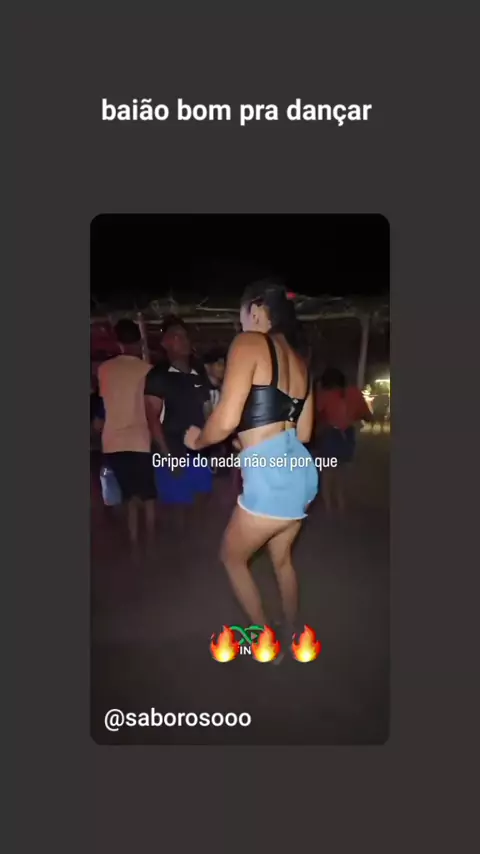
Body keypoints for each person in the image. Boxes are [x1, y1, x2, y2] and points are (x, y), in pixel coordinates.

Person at [184, 280, 318, 654]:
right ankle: (295, 635)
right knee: (283, 561)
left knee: (231, 558)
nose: (241, 323)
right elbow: (303, 433)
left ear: (256, 310)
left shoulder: (249, 343)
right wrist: (249, 440)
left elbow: (225, 420)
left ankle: (266, 643)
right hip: (301, 474)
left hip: (271, 480)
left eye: (241, 314)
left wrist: (196, 440)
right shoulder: (301, 363)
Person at [144, 317, 214, 527]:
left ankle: (198, 546)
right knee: (179, 512)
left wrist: (212, 444)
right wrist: (168, 457)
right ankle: (179, 546)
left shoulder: (198, 374)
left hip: (199, 451)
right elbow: (152, 419)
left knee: (202, 504)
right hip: (173, 452)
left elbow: (207, 412)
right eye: (176, 336)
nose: (183, 340)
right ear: (164, 343)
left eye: (185, 336)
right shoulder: (158, 375)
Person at [97, 319, 156, 549]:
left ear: (118, 342)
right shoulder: (147, 370)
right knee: (148, 496)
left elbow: (102, 406)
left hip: (112, 441)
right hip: (140, 440)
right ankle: (151, 543)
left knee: (129, 496)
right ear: (139, 342)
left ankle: (133, 544)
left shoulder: (104, 370)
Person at [315, 367, 373, 512]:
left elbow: (317, 415)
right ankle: (341, 505)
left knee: (327, 473)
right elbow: (367, 416)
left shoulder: (324, 395)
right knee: (341, 472)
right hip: (347, 436)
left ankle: (328, 507)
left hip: (330, 435)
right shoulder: (354, 393)